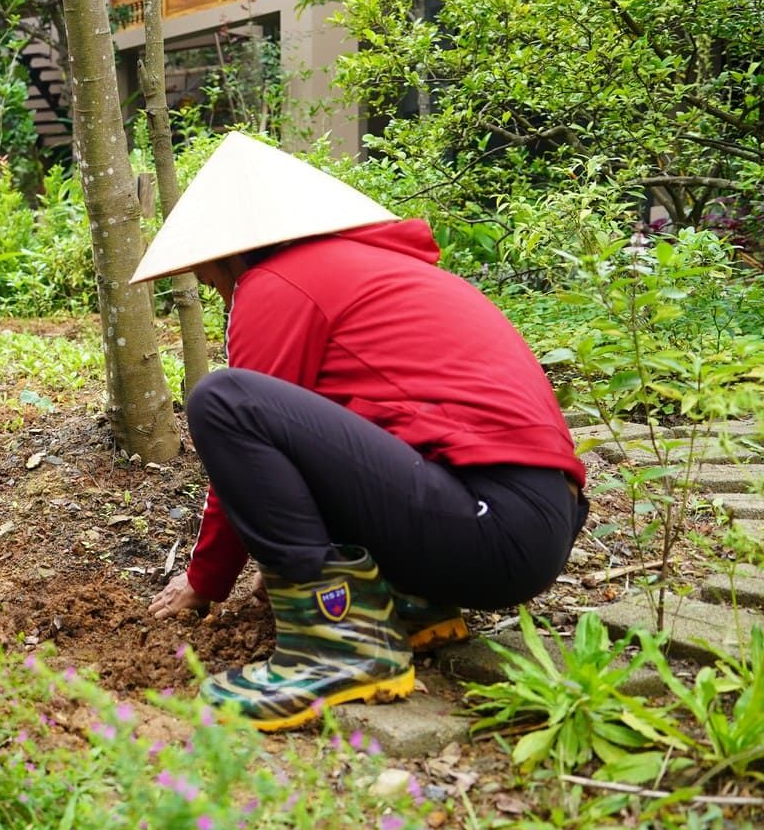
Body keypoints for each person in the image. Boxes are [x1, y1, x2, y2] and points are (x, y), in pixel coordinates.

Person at [136, 133, 588, 730]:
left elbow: (243, 437)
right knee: (317, 418)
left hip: (490, 524)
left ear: (232, 257)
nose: (223, 296)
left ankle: (338, 646)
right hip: (529, 523)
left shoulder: (280, 283)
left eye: (212, 279)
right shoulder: (369, 273)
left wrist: (205, 581)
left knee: (225, 399)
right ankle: (407, 602)